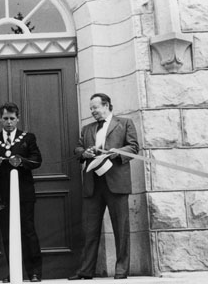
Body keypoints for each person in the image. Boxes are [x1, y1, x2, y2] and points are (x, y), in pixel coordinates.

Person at [69, 93, 139, 280]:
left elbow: (133, 147)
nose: (92, 111)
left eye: (95, 107)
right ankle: (85, 271)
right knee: (90, 230)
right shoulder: (87, 129)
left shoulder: (124, 123)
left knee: (121, 229)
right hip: (93, 184)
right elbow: (78, 149)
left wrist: (116, 152)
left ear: (106, 105)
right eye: (91, 108)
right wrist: (85, 152)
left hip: (116, 183)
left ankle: (121, 270)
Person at [0, 102, 43, 283]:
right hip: (2, 195)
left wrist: (21, 160)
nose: (9, 122)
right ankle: (14, 272)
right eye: (5, 118)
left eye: (12, 119)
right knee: (7, 232)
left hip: (24, 193)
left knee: (28, 231)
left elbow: (37, 160)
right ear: (0, 119)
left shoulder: (28, 138)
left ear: (18, 119)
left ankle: (34, 272)